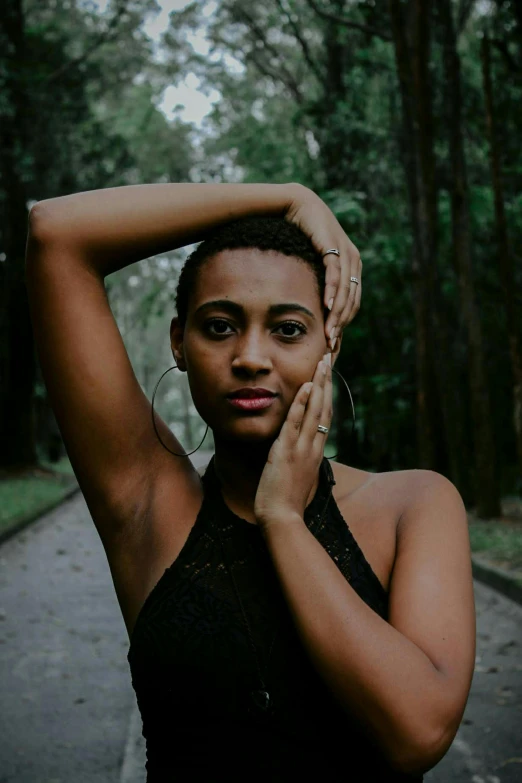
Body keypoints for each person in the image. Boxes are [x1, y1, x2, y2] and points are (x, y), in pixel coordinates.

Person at [25, 182, 476, 782]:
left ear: (328, 342)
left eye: (288, 329)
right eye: (219, 326)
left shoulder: (415, 505)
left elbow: (417, 734)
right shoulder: (146, 502)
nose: (251, 357)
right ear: (178, 342)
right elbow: (57, 233)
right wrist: (289, 198)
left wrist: (284, 519)